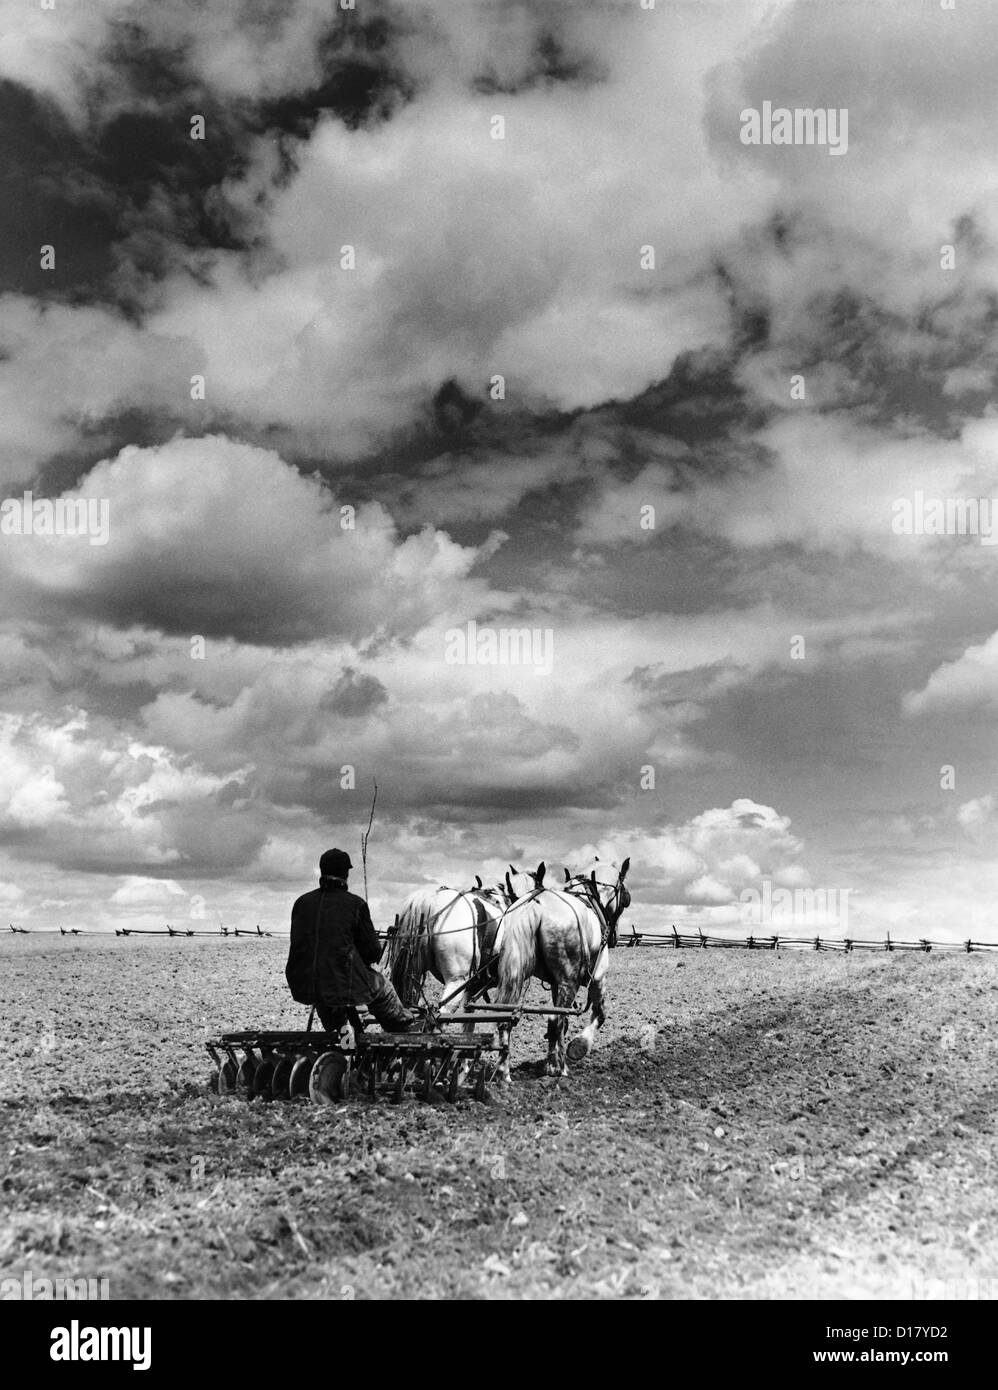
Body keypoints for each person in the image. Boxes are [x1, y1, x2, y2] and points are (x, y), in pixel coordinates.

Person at [285, 848, 419, 1033]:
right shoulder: (355, 904)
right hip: (342, 983)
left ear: (322, 871)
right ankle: (401, 1029)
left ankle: (343, 1038)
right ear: (346, 873)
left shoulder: (301, 903)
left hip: (305, 982)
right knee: (383, 988)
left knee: (331, 1003)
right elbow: (372, 953)